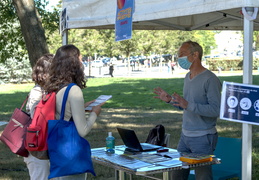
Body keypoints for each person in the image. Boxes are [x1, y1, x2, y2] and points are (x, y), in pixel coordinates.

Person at [154, 40, 221, 180]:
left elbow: (216, 110)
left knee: (203, 177)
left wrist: (187, 105)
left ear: (195, 55)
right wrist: (170, 100)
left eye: (182, 54)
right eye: (179, 55)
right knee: (177, 175)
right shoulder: (187, 77)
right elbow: (186, 105)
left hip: (203, 138)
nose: (179, 58)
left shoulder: (210, 79)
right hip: (185, 136)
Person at [44, 44, 104, 180]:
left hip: (56, 152)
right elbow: (83, 130)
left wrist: (82, 107)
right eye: (80, 59)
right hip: (71, 157)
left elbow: (63, 112)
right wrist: (95, 113)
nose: (82, 63)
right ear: (74, 63)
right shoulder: (73, 90)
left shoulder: (54, 87)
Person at [24, 54, 54, 180]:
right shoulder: (37, 92)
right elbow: (37, 117)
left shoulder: (48, 91)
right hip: (37, 148)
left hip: (45, 145)